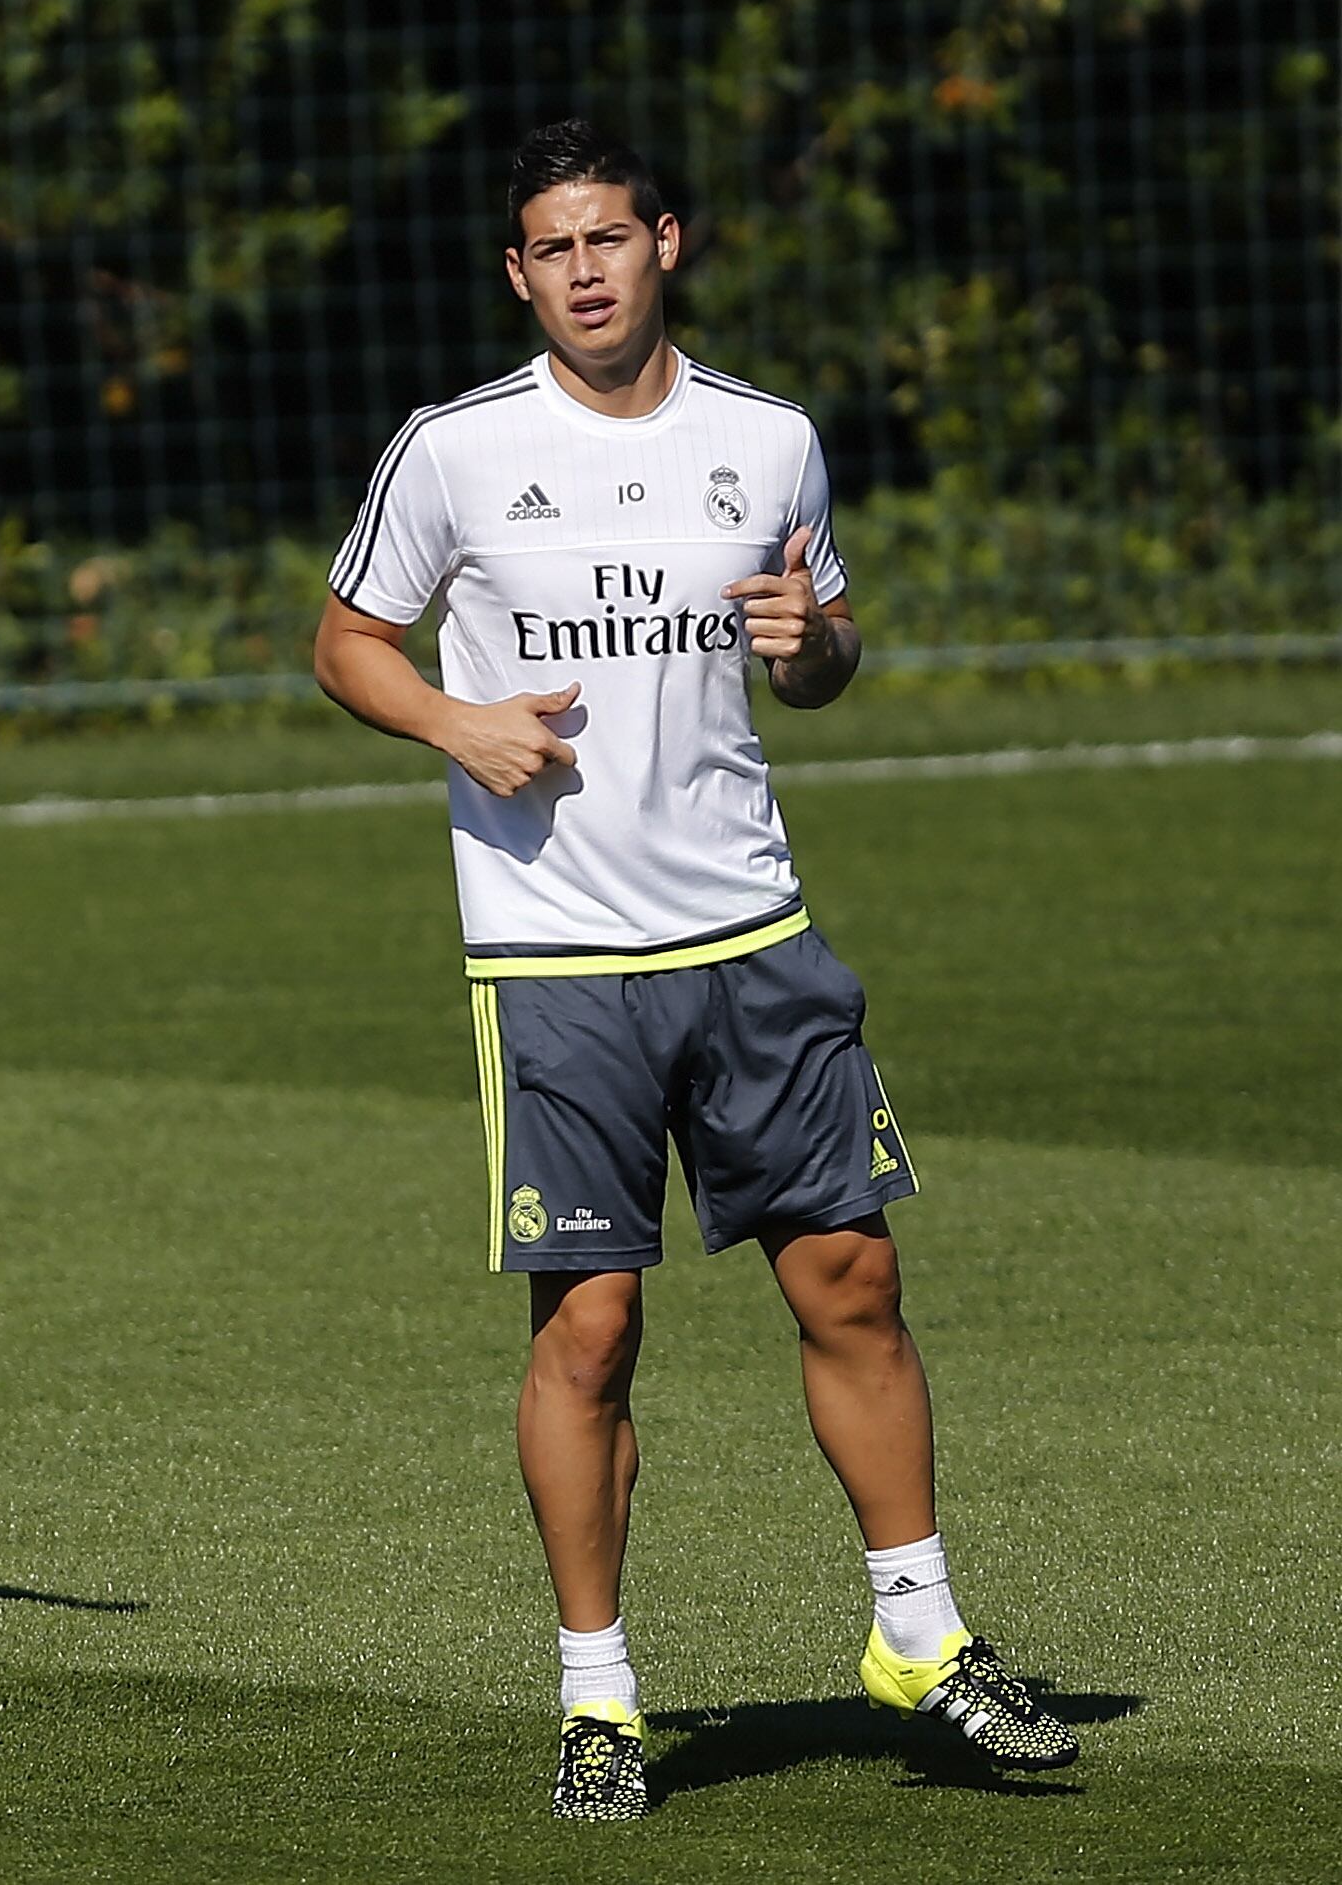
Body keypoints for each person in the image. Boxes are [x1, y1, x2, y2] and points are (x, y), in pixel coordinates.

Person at [313, 118, 1077, 1818]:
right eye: (551, 249)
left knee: (854, 1286)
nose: (585, 272)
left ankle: (926, 1640)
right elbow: (347, 638)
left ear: (669, 241)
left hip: (755, 939)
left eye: (611, 238)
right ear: (519, 274)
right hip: (557, 960)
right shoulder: (451, 450)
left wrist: (825, 649)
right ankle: (600, 1701)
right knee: (590, 1329)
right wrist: (455, 718)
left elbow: (818, 650)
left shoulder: (771, 439)